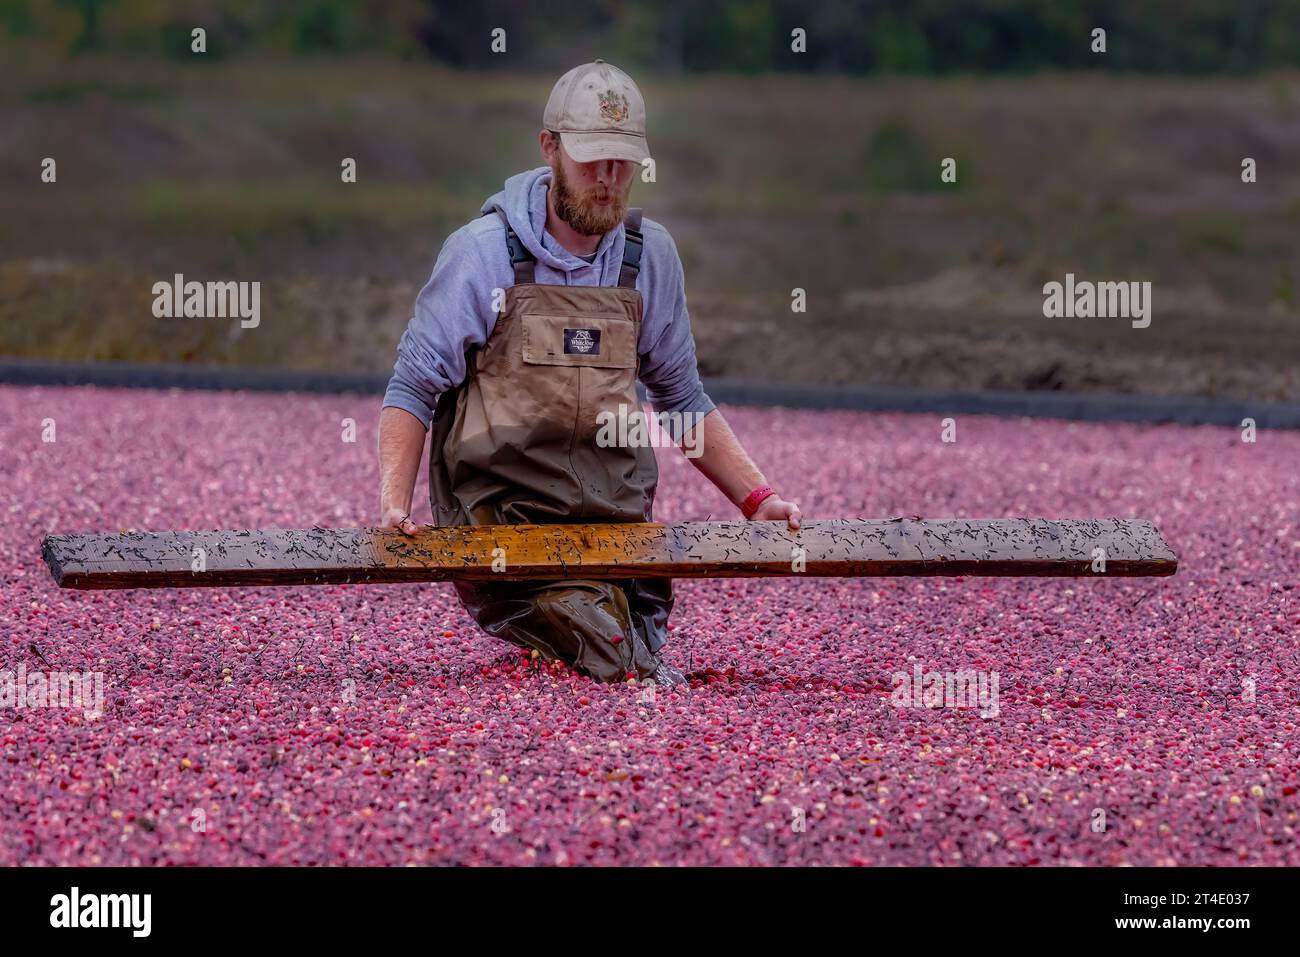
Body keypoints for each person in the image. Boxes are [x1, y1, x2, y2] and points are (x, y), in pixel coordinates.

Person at [378, 59, 800, 688]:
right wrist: (393, 505)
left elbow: (680, 395)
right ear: (550, 149)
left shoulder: (647, 257)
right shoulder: (484, 255)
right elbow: (415, 385)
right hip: (505, 523)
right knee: (609, 654)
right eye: (591, 160)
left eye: (622, 162)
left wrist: (757, 499)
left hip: (616, 520)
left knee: (631, 644)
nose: (607, 179)